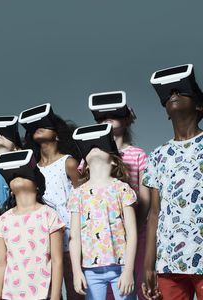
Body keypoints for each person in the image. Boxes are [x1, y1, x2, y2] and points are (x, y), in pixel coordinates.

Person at [142, 64, 203, 300]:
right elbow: (154, 212)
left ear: (199, 105)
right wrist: (149, 265)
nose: (173, 95)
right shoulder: (157, 155)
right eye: (168, 95)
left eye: (181, 92)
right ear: (167, 111)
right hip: (169, 261)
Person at [89, 92, 150, 299]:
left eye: (113, 115)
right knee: (105, 290)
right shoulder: (90, 156)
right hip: (103, 235)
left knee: (136, 285)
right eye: (101, 116)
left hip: (135, 231)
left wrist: (133, 229)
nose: (107, 118)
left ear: (126, 120)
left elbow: (145, 197)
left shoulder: (138, 154)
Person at [69, 124, 137, 300]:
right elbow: (74, 237)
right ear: (85, 164)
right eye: (90, 148)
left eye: (100, 146)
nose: (94, 148)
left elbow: (132, 232)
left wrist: (129, 270)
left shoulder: (122, 189)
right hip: (91, 270)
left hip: (122, 266)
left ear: (114, 160)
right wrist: (77, 272)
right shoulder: (78, 194)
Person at [21, 103, 81, 299]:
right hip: (43, 240)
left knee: (75, 291)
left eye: (45, 125)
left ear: (57, 134)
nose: (39, 127)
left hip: (70, 238)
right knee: (48, 292)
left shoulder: (69, 163)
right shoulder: (32, 170)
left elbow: (82, 198)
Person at [0, 150, 64, 300]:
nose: (17, 176)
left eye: (23, 174)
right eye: (13, 176)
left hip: (42, 295)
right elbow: (0, 263)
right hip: (10, 296)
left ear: (37, 186)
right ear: (10, 191)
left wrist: (56, 296)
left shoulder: (49, 215)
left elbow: (57, 260)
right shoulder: (2, 221)